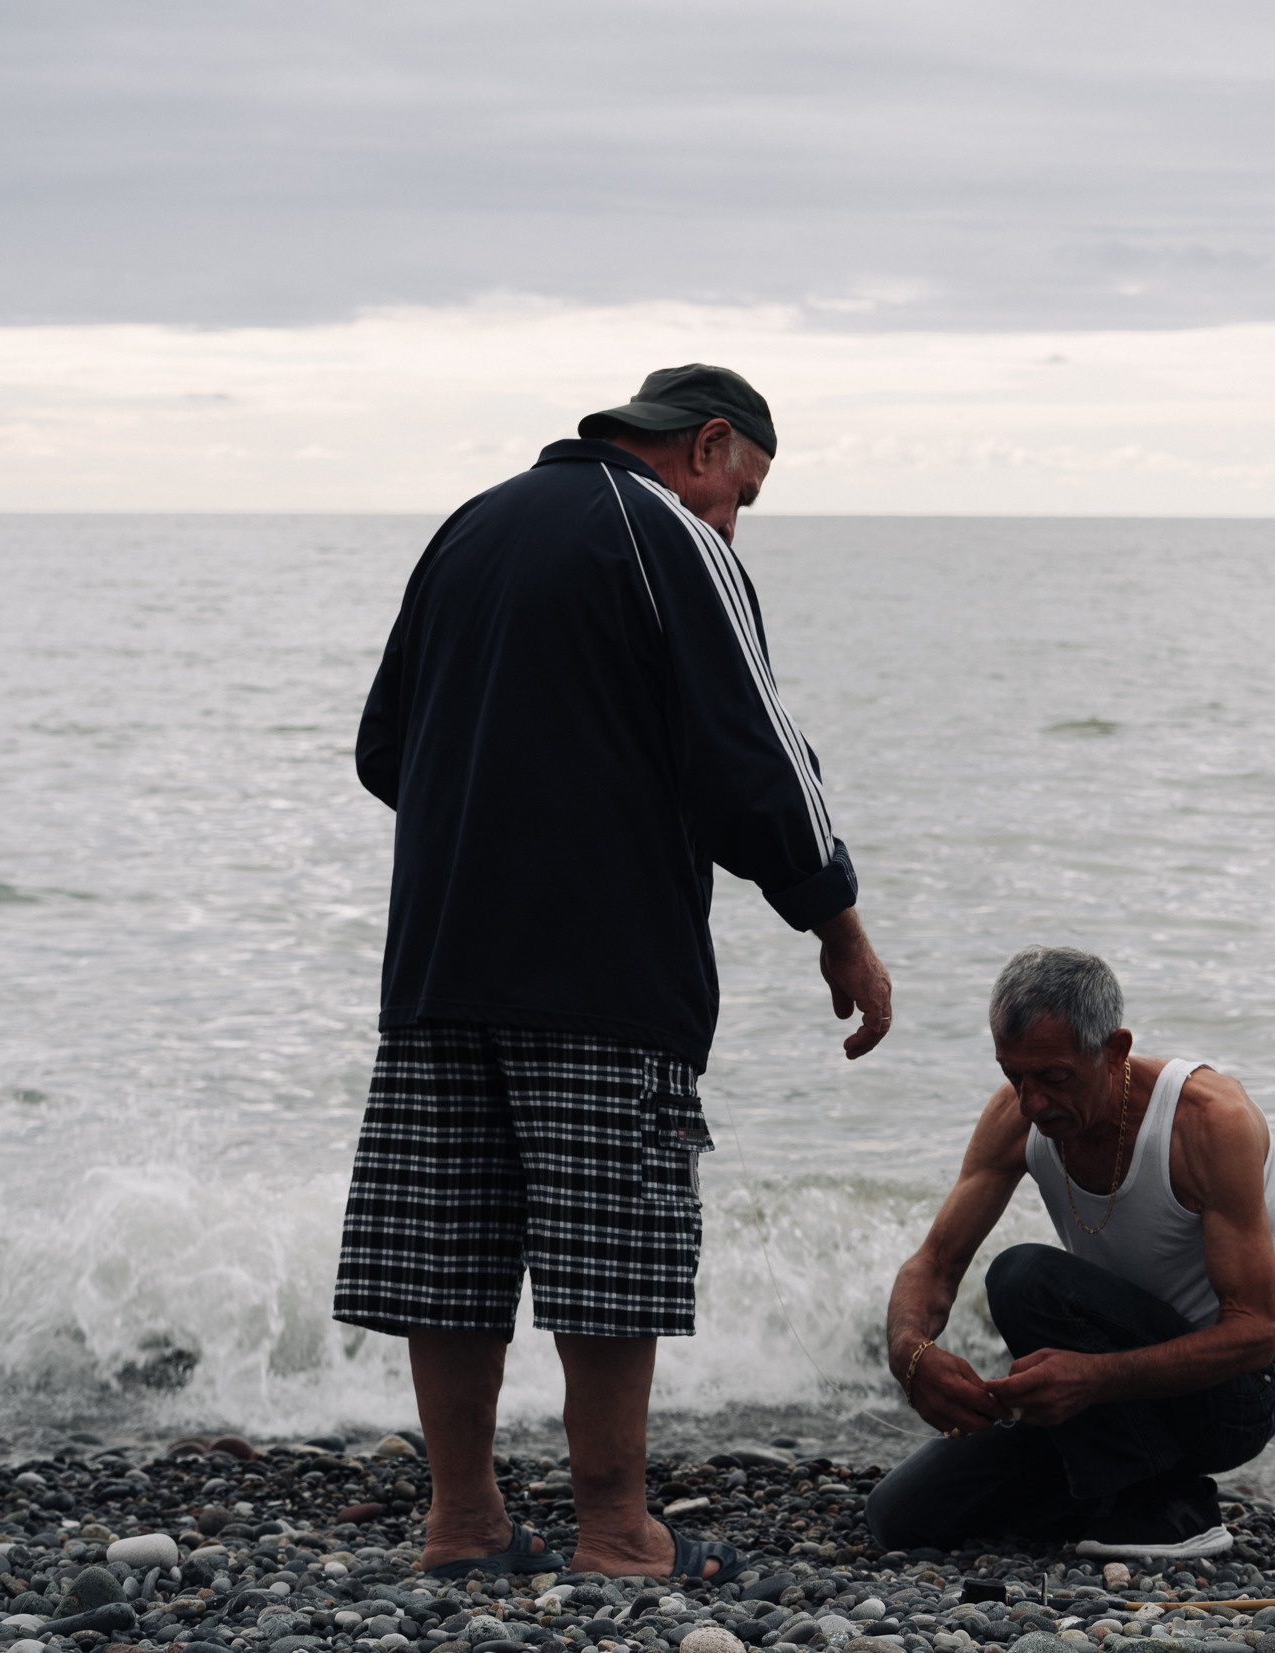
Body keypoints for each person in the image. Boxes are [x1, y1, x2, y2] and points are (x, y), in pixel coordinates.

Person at [330, 365, 893, 1583]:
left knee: (449, 1243)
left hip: (435, 965)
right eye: (741, 494)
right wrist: (835, 921)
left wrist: (494, 810)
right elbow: (755, 755)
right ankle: (615, 1530)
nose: (734, 522)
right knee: (610, 1246)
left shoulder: (468, 529)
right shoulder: (669, 540)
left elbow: (386, 749)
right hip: (602, 972)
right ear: (705, 448)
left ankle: (464, 1522)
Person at [867, 947, 1275, 1559]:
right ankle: (1107, 1491)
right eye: (1014, 1076)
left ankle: (1171, 1509)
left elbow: (1256, 1333)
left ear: (1115, 1050)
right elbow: (934, 1263)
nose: (1032, 1102)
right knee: (900, 1517)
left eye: (1054, 1077)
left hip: (1233, 1396)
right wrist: (909, 1351)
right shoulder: (1017, 1116)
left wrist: (1092, 1377)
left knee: (1022, 1277)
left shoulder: (1207, 1122)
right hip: (1109, 1402)